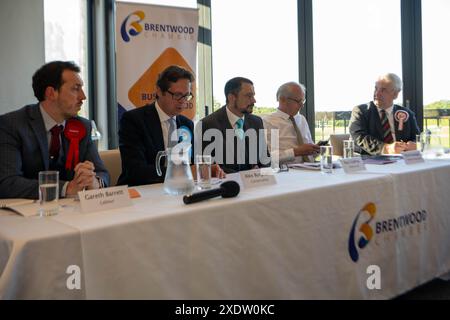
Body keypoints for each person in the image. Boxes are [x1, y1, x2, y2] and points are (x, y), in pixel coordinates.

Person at [0, 61, 109, 199]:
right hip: (28, 216)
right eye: (75, 89)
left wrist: (93, 183)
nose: (83, 97)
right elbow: (7, 183)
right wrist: (66, 188)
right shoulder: (11, 125)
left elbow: (102, 173)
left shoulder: (83, 126)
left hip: (73, 214)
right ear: (51, 93)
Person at [118, 65, 224, 187]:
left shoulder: (187, 124)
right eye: (178, 95)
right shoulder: (134, 120)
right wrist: (184, 173)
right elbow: (136, 171)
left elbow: (193, 164)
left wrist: (206, 169)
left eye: (186, 96)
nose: (183, 101)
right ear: (159, 91)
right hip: (141, 192)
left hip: (180, 191)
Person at [197, 77, 270, 173]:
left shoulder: (256, 122)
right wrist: (244, 175)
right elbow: (207, 165)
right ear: (231, 97)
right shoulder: (207, 124)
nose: (254, 101)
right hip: (227, 184)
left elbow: (265, 158)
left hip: (256, 183)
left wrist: (260, 171)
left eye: (253, 96)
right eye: (249, 96)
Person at [349, 73, 420, 155]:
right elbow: (359, 137)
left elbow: (417, 138)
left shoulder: (407, 114)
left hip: (402, 160)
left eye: (383, 90)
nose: (377, 94)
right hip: (370, 161)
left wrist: (415, 145)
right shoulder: (360, 111)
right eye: (376, 89)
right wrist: (386, 148)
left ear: (395, 94)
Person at [263, 82, 320, 166]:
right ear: (282, 99)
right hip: (286, 174)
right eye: (298, 101)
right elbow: (268, 158)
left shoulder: (301, 119)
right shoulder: (268, 122)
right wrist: (296, 152)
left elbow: (310, 155)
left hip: (310, 169)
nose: (302, 105)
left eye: (303, 101)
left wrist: (316, 150)